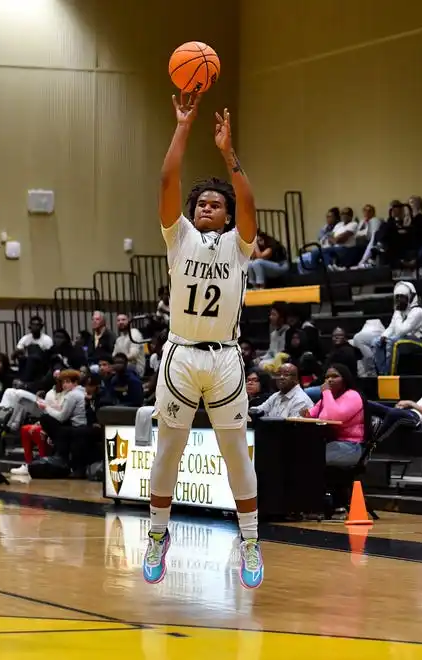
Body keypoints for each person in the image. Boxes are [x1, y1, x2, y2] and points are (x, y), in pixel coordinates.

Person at [142, 92, 263, 589]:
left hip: (226, 360)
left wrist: (229, 153)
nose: (207, 207)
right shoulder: (180, 238)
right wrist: (183, 126)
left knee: (236, 452)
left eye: (215, 203)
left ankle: (251, 541)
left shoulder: (240, 245)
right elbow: (167, 180)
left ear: (228, 215)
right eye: (202, 203)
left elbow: (250, 200)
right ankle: (157, 536)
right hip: (180, 354)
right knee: (168, 449)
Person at [369, 353, 422, 439]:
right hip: (410, 413)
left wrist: (410, 403)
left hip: (417, 420)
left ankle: (374, 440)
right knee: (369, 405)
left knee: (392, 413)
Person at [302, 363, 365, 467]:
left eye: (335, 376)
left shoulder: (353, 395)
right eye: (327, 377)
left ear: (345, 379)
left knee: (309, 458)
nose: (329, 380)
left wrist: (326, 392)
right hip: (330, 444)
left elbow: (333, 417)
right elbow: (310, 415)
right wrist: (303, 410)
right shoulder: (329, 398)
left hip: (350, 447)